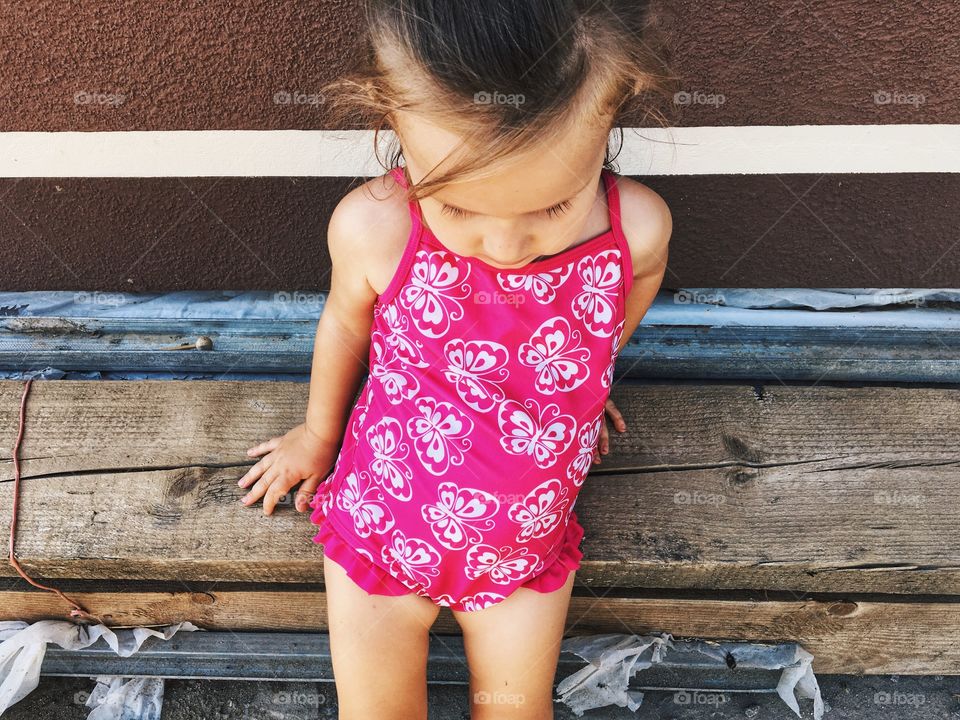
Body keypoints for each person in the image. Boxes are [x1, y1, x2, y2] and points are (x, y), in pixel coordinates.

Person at [238, 1, 675, 717]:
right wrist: (318, 435)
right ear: (391, 124)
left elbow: (640, 283)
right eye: (462, 209)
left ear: (614, 113)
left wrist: (579, 387)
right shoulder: (376, 228)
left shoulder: (636, 229)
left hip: (524, 559)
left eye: (552, 206)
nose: (506, 247)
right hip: (381, 531)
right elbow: (346, 324)